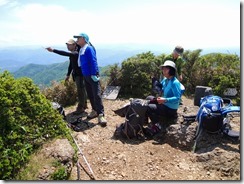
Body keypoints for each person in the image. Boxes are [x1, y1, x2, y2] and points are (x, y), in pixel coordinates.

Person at [73, 33, 107, 127]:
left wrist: (94, 73)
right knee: (90, 94)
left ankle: (101, 114)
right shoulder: (81, 49)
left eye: (78, 38)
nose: (77, 39)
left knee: (96, 94)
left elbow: (93, 61)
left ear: (84, 39)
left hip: (92, 75)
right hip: (86, 75)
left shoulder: (89, 48)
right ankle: (94, 110)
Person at [46, 39, 87, 115]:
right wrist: (68, 74)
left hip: (80, 75)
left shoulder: (76, 53)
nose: (68, 46)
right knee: (81, 90)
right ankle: (84, 105)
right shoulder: (73, 53)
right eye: (67, 45)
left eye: (69, 45)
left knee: (80, 91)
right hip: (77, 74)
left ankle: (81, 107)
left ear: (74, 45)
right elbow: (71, 64)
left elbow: (64, 53)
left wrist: (53, 50)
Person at [146, 60, 182, 126]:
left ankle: (157, 126)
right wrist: (154, 82)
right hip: (165, 103)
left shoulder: (175, 83)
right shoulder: (166, 79)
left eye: (166, 69)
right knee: (148, 98)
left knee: (148, 107)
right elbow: (160, 87)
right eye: (163, 69)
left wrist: (165, 100)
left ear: (171, 70)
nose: (164, 70)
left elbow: (177, 98)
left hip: (170, 109)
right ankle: (145, 121)